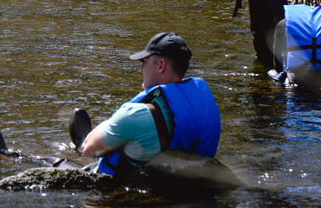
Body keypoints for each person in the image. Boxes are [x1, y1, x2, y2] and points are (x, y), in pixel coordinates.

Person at [77, 32, 221, 184]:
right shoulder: (204, 106)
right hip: (188, 191)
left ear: (161, 65)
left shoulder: (134, 116)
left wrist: (111, 122)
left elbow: (89, 150)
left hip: (127, 198)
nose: (140, 69)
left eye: (144, 62)